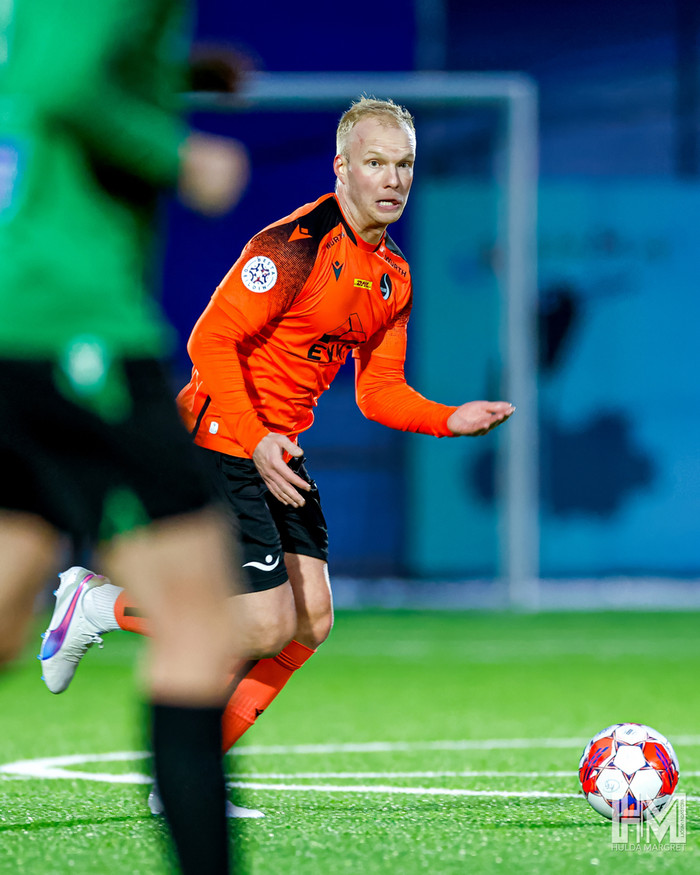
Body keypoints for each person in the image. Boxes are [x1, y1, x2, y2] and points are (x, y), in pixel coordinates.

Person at [39, 96, 515, 813]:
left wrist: (450, 418)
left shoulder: (393, 275)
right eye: (376, 162)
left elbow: (378, 392)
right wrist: (255, 436)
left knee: (311, 620)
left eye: (404, 165)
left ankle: (185, 783)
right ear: (342, 167)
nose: (392, 179)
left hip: (277, 450)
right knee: (265, 623)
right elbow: (209, 340)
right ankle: (98, 604)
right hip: (221, 439)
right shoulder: (294, 246)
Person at [0, 1, 250, 872]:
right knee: (196, 623)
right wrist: (181, 155)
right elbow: (56, 83)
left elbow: (31, 61)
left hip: (17, 316)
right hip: (71, 321)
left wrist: (172, 77)